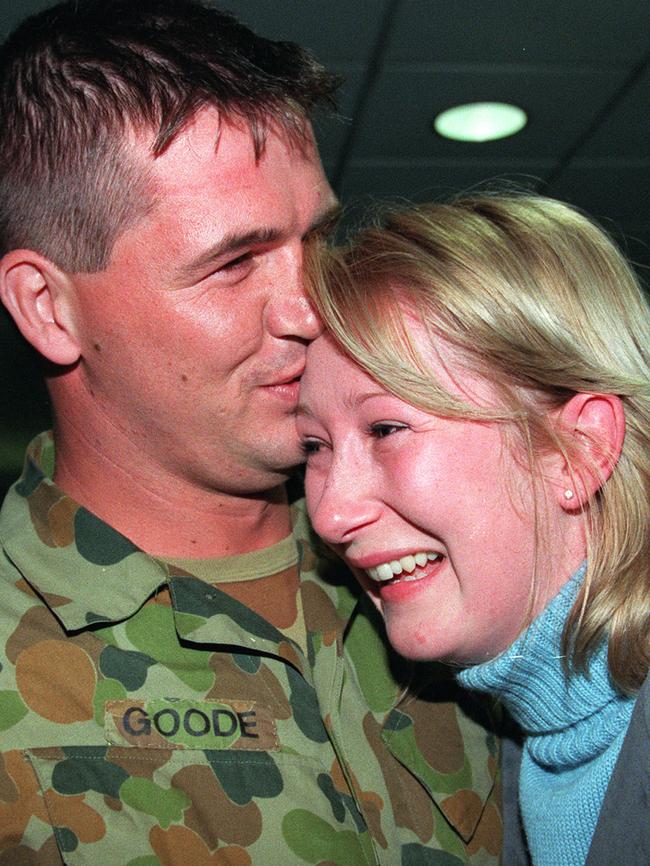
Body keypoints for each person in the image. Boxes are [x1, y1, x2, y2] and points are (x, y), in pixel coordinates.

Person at [0, 2, 504, 864]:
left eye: (319, 239)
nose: (313, 309)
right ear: (50, 309)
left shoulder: (456, 550)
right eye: (234, 263)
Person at [298, 194, 650, 866]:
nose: (329, 515)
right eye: (313, 446)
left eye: (386, 429)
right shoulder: (507, 744)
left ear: (577, 449)